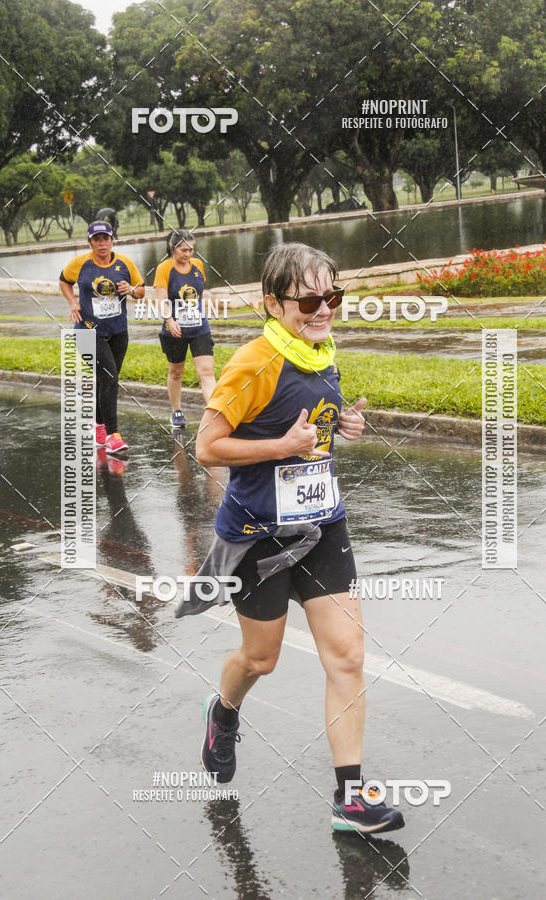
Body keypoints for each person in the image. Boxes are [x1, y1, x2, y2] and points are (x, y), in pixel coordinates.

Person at [187, 242, 404, 835]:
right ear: (272, 304)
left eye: (332, 296)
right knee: (262, 658)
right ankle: (223, 711)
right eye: (309, 300)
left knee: (349, 656)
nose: (323, 309)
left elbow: (313, 427)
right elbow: (207, 447)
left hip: (321, 526)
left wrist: (343, 424)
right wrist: (282, 447)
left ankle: (350, 799)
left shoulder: (320, 351)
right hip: (257, 536)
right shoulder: (254, 363)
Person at [59, 221, 145, 454]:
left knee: (105, 379)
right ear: (90, 243)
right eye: (96, 239)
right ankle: (112, 435)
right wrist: (73, 302)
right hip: (87, 332)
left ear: (112, 240)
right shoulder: (80, 264)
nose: (101, 243)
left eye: (105, 238)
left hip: (118, 331)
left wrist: (131, 290)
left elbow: (141, 290)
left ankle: (97, 425)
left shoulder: (125, 263)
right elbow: (64, 281)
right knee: (109, 377)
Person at [154, 230, 216, 427]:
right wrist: (170, 320)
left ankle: (216, 414)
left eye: (191, 250)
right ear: (172, 248)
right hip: (175, 330)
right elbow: (161, 300)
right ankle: (176, 411)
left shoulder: (197, 265)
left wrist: (201, 313)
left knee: (206, 372)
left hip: (199, 328)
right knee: (176, 373)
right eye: (183, 250)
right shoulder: (164, 268)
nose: (188, 254)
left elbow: (199, 295)